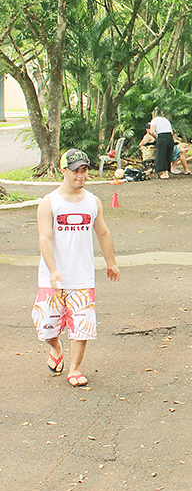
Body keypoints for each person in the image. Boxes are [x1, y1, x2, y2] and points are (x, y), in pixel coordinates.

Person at [33, 149, 120, 386]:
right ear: (63, 171)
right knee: (47, 327)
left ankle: (75, 368)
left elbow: (103, 232)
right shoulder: (49, 202)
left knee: (81, 326)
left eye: (84, 170)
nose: (81, 176)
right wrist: (52, 270)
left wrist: (110, 262)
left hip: (82, 277)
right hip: (52, 277)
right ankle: (56, 347)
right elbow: (44, 239)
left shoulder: (93, 202)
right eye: (76, 171)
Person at [150, 107, 174, 179]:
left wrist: (156, 137)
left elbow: (152, 131)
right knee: (168, 155)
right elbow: (171, 131)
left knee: (162, 155)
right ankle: (167, 171)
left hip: (162, 137)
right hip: (169, 137)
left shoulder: (154, 120)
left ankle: (165, 173)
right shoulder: (166, 120)